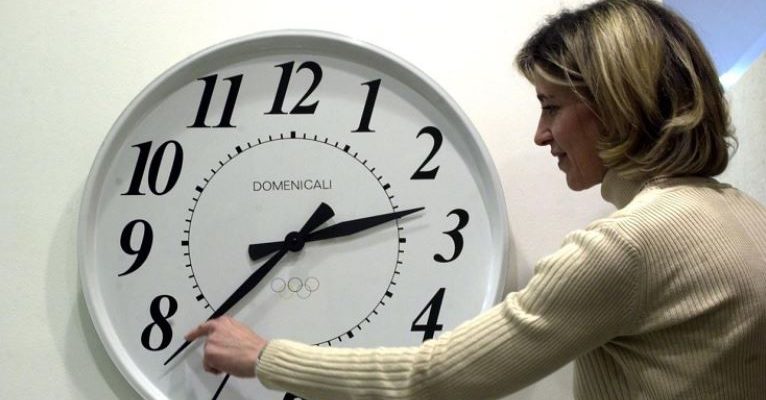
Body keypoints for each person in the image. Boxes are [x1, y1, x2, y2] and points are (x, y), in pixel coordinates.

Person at [185, 0, 766, 398]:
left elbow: (434, 378)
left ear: (615, 105)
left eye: (551, 106)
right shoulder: (745, 214)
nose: (541, 135)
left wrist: (265, 357)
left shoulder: (629, 246)